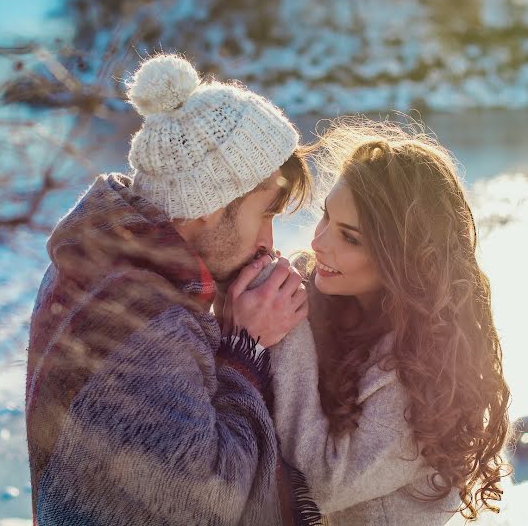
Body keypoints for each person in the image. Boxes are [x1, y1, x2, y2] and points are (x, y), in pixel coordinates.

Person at [25, 54, 320, 525]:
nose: (269, 241)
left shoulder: (102, 258)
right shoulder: (145, 319)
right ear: (207, 205)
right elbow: (204, 504)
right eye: (265, 213)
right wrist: (245, 347)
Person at [227, 119, 512, 525]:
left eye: (350, 238)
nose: (317, 242)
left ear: (403, 259)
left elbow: (320, 484)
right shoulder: (331, 302)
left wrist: (288, 325)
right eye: (325, 217)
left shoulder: (422, 372)